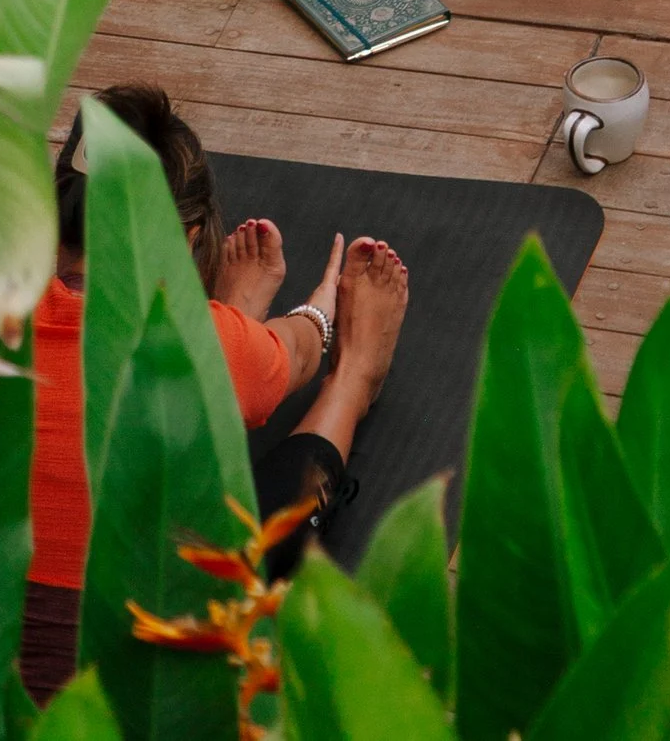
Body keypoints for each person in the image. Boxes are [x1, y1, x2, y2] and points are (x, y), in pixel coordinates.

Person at [21, 86, 408, 697]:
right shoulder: (196, 339)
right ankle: (358, 376)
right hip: (139, 682)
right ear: (190, 233)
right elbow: (304, 348)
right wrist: (321, 309)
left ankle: (234, 348)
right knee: (274, 505)